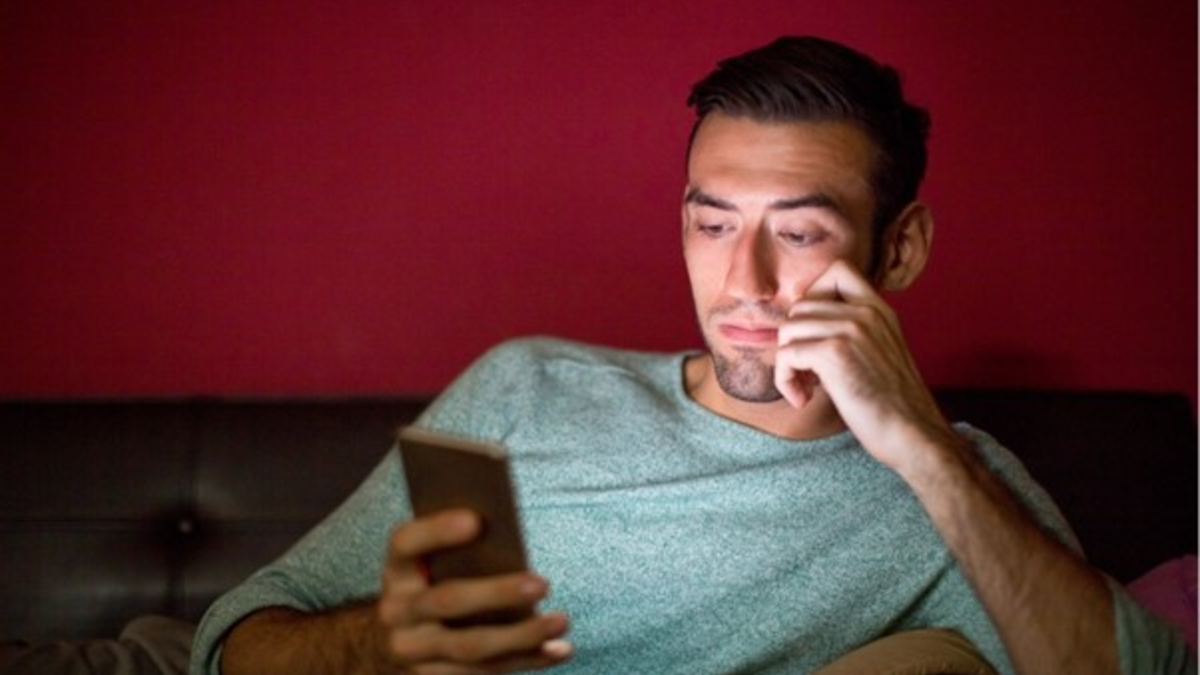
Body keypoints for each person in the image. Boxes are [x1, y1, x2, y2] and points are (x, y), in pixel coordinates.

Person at [191, 36, 1195, 675]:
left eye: (797, 232)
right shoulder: (526, 384)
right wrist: (380, 643)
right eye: (712, 225)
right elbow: (235, 637)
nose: (743, 280)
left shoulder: (957, 495)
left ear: (900, 249)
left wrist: (926, 450)